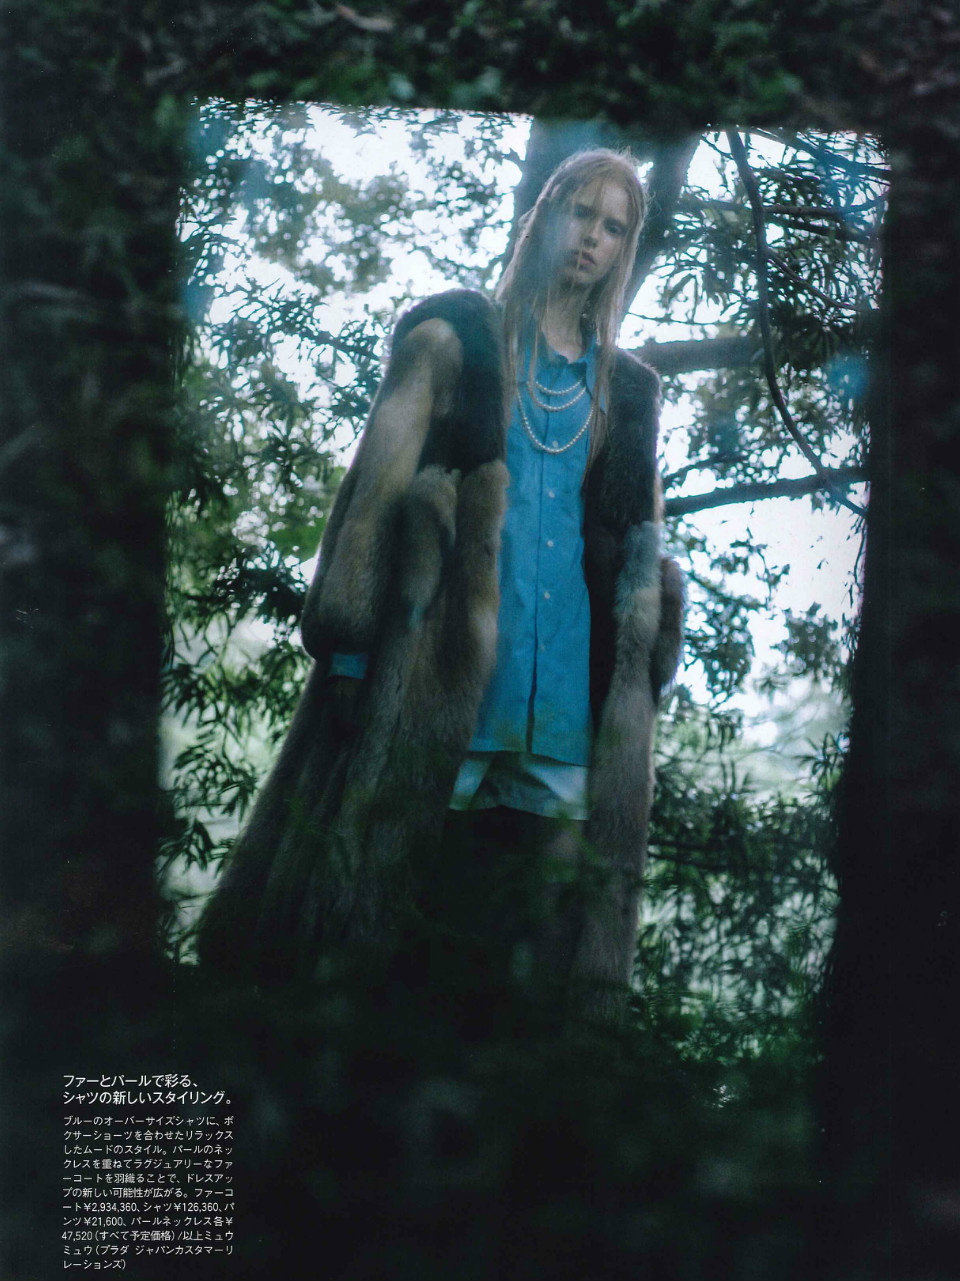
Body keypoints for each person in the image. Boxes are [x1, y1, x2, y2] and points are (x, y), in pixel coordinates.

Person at [197, 149, 684, 1022]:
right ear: (548, 214)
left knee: (529, 947)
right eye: (581, 213)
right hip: (440, 677)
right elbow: (374, 507)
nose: (592, 237)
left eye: (613, 227)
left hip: (564, 702)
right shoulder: (456, 341)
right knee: (388, 926)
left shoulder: (630, 392)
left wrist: (636, 689)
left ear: (623, 248)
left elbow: (638, 564)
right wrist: (351, 655)